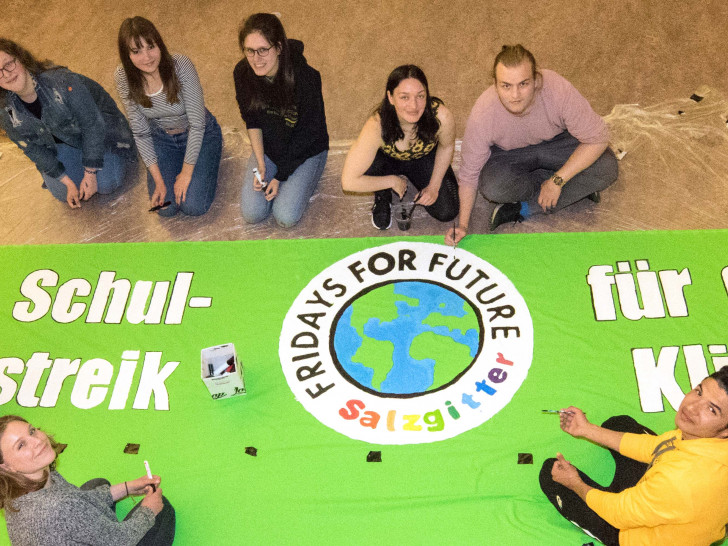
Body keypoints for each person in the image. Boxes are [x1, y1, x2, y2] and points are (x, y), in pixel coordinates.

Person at [446, 44, 618, 244]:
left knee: (607, 166)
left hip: (558, 143)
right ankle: (577, 184)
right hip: (511, 155)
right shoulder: (483, 113)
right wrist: (463, 225)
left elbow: (598, 138)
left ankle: (523, 208)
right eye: (506, 86)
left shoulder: (557, 89)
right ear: (495, 85)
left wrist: (558, 180)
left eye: (523, 84)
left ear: (537, 80)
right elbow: (468, 177)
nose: (515, 96)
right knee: (492, 187)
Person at [539, 368, 728, 546]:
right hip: (673, 502)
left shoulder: (680, 480)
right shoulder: (703, 438)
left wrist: (575, 483)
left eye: (712, 409)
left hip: (635, 534)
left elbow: (619, 513)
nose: (692, 407)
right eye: (699, 391)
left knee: (551, 474)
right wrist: (586, 429)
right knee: (619, 424)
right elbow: (656, 447)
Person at [0, 38, 136, 209]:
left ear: (21, 59)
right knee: (61, 192)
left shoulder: (62, 82)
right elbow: (32, 149)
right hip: (61, 143)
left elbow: (92, 124)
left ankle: (101, 161)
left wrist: (90, 172)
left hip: (101, 133)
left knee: (107, 183)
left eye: (9, 64)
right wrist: (66, 181)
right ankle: (76, 168)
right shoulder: (5, 111)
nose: (6, 74)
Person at [0, 415, 175, 545]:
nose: (37, 441)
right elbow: (120, 540)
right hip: (106, 535)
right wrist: (149, 510)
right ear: (5, 467)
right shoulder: (60, 507)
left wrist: (128, 487)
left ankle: (100, 526)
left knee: (97, 484)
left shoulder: (25, 483)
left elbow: (76, 500)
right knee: (163, 509)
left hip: (64, 517)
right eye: (21, 445)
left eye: (31, 431)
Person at [115, 16, 222, 217]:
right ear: (126, 54)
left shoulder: (181, 65)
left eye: (150, 47)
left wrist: (186, 173)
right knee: (166, 208)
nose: (146, 57)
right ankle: (178, 171)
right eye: (136, 51)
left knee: (193, 206)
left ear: (160, 44)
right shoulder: (122, 76)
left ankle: (206, 161)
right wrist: (159, 180)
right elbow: (140, 132)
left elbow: (198, 124)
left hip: (199, 133)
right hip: (162, 139)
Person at [234, 12, 329, 228]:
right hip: (270, 149)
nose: (256, 59)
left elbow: (309, 135)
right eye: (249, 51)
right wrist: (260, 163)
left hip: (306, 151)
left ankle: (310, 171)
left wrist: (280, 177)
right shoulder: (242, 73)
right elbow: (251, 120)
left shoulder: (307, 78)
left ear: (278, 48)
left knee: (285, 216)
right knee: (252, 213)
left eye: (263, 50)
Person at [342, 65, 459, 230]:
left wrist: (433, 186)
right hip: (387, 162)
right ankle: (383, 193)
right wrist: (390, 181)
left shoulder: (441, 116)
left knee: (447, 211)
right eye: (404, 97)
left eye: (420, 96)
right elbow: (348, 182)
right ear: (390, 97)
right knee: (367, 163)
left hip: (423, 158)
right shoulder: (377, 125)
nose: (414, 106)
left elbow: (446, 147)